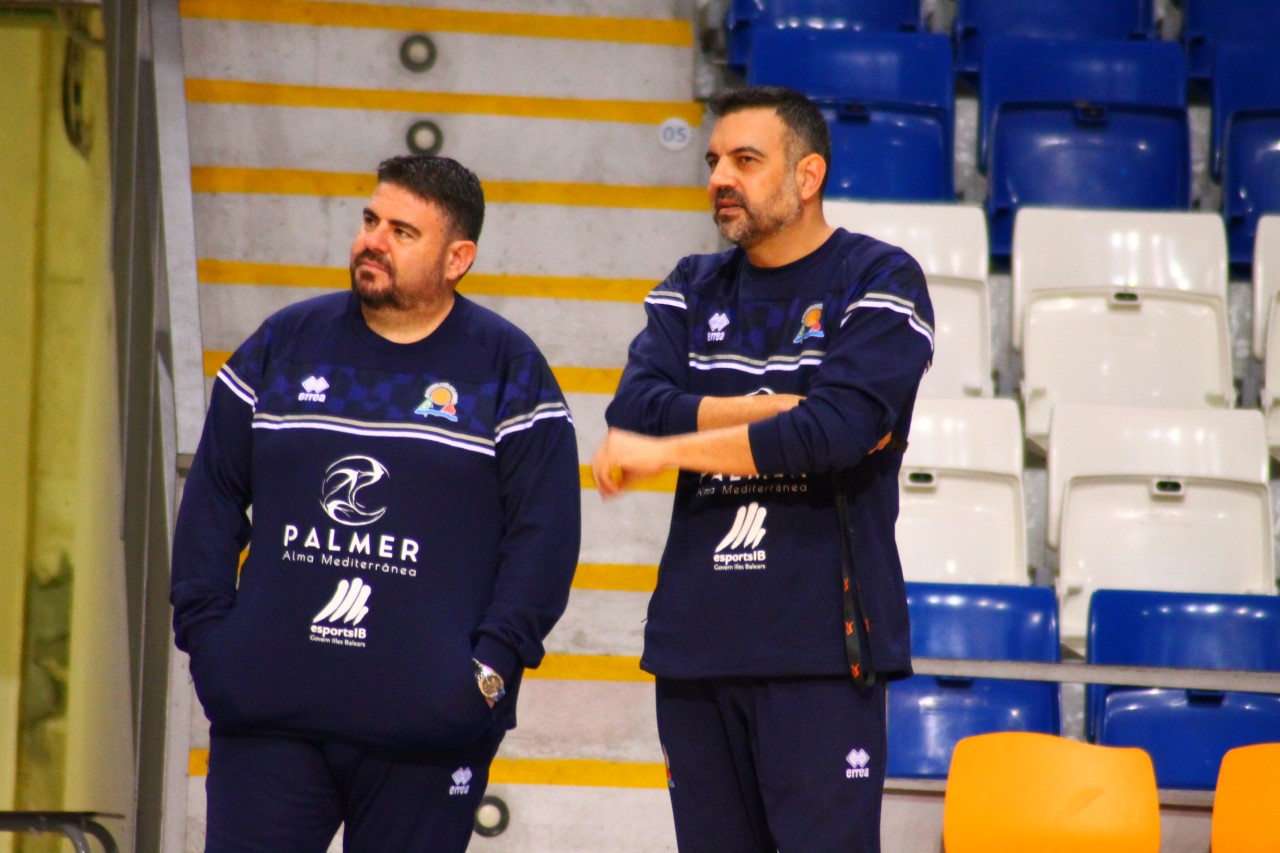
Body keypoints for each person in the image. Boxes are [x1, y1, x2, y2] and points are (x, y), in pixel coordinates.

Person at [171, 155, 581, 852]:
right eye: (370, 221)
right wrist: (211, 639)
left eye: (402, 231)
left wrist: (487, 671)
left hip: (428, 730)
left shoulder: (508, 370)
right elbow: (212, 497)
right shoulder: (282, 346)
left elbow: (544, 536)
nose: (373, 241)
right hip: (268, 717)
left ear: (457, 258)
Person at [590, 86, 933, 852]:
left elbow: (836, 431)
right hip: (696, 645)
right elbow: (637, 408)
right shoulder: (690, 285)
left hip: (820, 649)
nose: (720, 177)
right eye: (714, 160)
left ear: (808, 175)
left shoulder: (879, 277)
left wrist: (672, 448)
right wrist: (779, 406)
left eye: (746, 160)